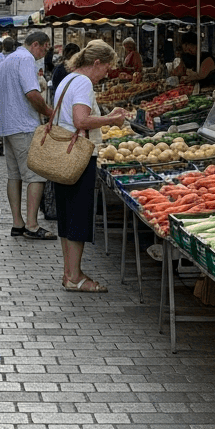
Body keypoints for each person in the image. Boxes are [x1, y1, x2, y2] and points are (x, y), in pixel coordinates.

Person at [49, 40, 128, 292]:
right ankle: (75, 278)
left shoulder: (68, 79)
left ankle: (70, 272)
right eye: (106, 68)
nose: (107, 74)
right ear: (96, 63)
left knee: (67, 214)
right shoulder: (83, 83)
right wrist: (111, 119)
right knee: (78, 215)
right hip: (78, 157)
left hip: (63, 155)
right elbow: (80, 120)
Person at [0, 31, 56, 240]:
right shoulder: (26, 59)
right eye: (45, 48)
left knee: (14, 176)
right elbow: (32, 93)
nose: (45, 53)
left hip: (7, 124)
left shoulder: (8, 59)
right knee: (35, 176)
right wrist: (49, 113)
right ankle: (31, 225)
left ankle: (17, 223)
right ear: (36, 44)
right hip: (24, 124)